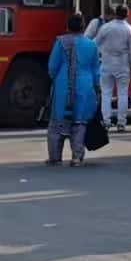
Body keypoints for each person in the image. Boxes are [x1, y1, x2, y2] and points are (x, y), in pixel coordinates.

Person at [46, 13, 100, 167]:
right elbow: (96, 70)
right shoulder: (91, 45)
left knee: (57, 123)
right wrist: (96, 87)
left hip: (63, 85)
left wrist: (56, 79)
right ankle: (76, 157)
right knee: (80, 121)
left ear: (68, 27)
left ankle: (55, 157)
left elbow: (52, 67)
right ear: (83, 27)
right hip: (85, 85)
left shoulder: (60, 42)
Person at [95, 4, 131, 132]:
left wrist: (100, 55)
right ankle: (121, 123)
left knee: (106, 93)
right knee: (122, 93)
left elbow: (96, 43)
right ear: (127, 15)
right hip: (123, 64)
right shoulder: (130, 29)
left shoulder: (106, 27)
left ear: (115, 13)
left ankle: (107, 122)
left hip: (107, 63)